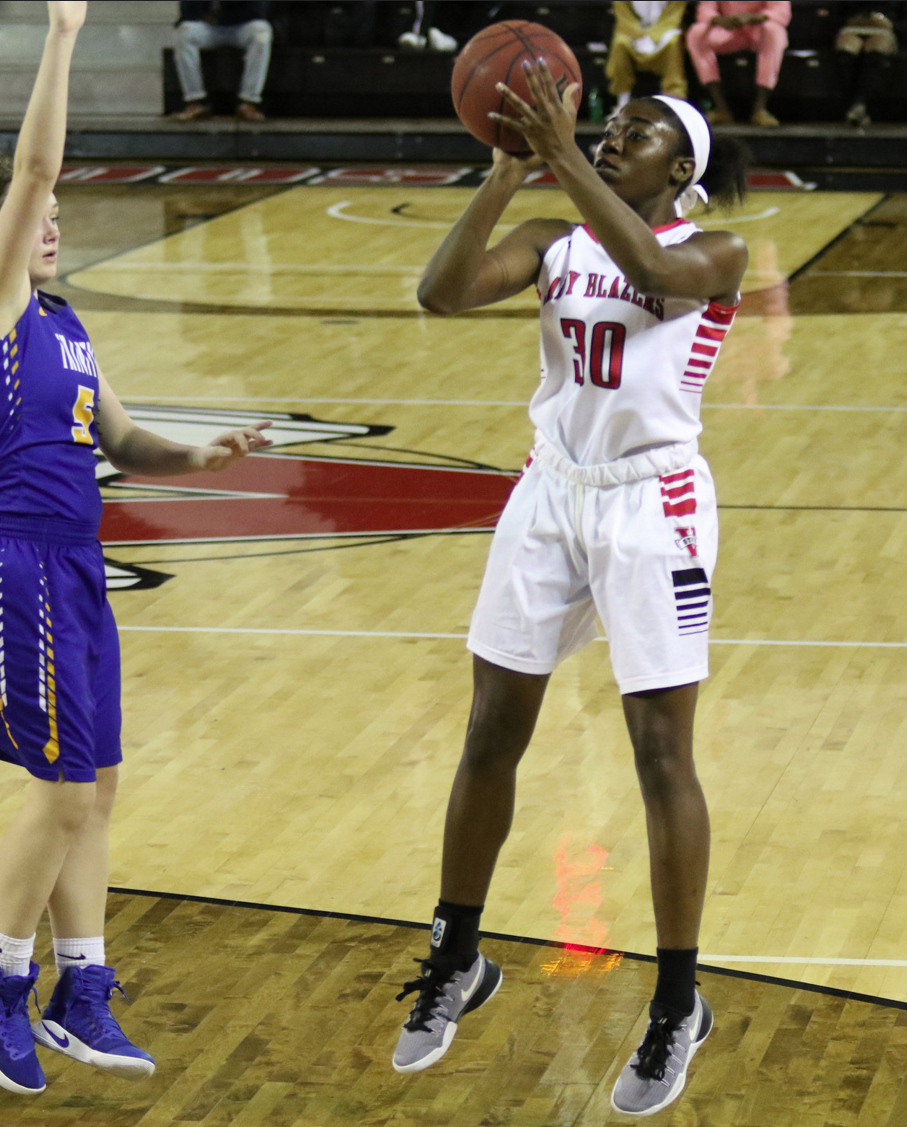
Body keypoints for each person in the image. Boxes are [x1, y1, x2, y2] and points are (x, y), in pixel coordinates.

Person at [393, 59, 749, 1120]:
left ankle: (677, 999)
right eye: (608, 127)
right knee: (490, 730)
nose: (607, 138)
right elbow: (440, 292)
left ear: (681, 167)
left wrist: (555, 156)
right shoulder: (556, 244)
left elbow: (648, 268)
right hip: (550, 492)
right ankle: (456, 953)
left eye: (634, 133)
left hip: (656, 506)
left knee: (658, 751)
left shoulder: (713, 250)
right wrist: (505, 175)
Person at [0, 1, 273, 1095]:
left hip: (76, 567)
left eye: (45, 218)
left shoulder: (66, 324)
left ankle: (81, 986)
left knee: (102, 781)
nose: (50, 224)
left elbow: (121, 440)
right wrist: (63, 35)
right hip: (16, 562)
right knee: (60, 790)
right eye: (31, 218)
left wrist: (202, 454)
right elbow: (38, 163)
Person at [686, 1, 791, 127]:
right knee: (696, 34)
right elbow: (705, 10)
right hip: (729, 30)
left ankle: (760, 109)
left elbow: (781, 12)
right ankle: (721, 108)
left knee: (775, 32)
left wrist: (753, 18)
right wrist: (719, 20)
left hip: (759, 29)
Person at [171, 1, 272, 123]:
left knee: (262, 32)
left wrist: (220, 18)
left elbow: (258, 10)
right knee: (185, 33)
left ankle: (249, 102)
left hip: (242, 25)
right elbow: (187, 11)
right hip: (209, 27)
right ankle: (195, 102)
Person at [607, 2, 688, 110]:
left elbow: (673, 15)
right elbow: (624, 16)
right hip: (633, 31)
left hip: (664, 30)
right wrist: (640, 35)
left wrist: (653, 36)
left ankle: (673, 102)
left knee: (673, 43)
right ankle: (622, 100)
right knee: (620, 43)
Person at [834, 4, 899, 127]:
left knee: (875, 52)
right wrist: (852, 20)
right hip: (852, 28)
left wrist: (888, 23)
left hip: (884, 29)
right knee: (845, 52)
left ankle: (860, 104)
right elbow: (836, 14)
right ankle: (854, 105)